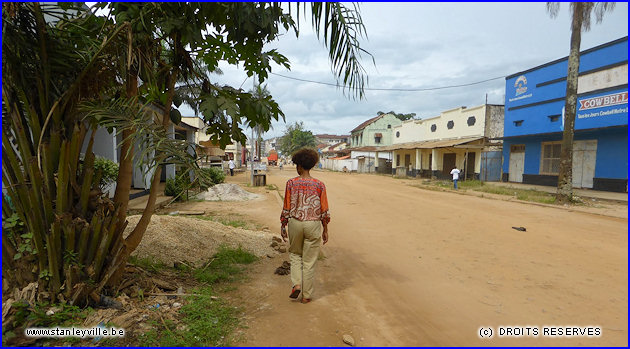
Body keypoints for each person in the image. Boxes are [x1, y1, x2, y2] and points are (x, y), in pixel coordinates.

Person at [280, 148, 330, 304]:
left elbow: (286, 206)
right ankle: (307, 296)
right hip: (313, 223)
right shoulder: (320, 185)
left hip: (295, 223)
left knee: (295, 255)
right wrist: (325, 229)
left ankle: (296, 284)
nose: (296, 168)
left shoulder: (291, 183)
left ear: (300, 166)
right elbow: (324, 209)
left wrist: (283, 225)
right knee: (309, 261)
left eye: (297, 165)